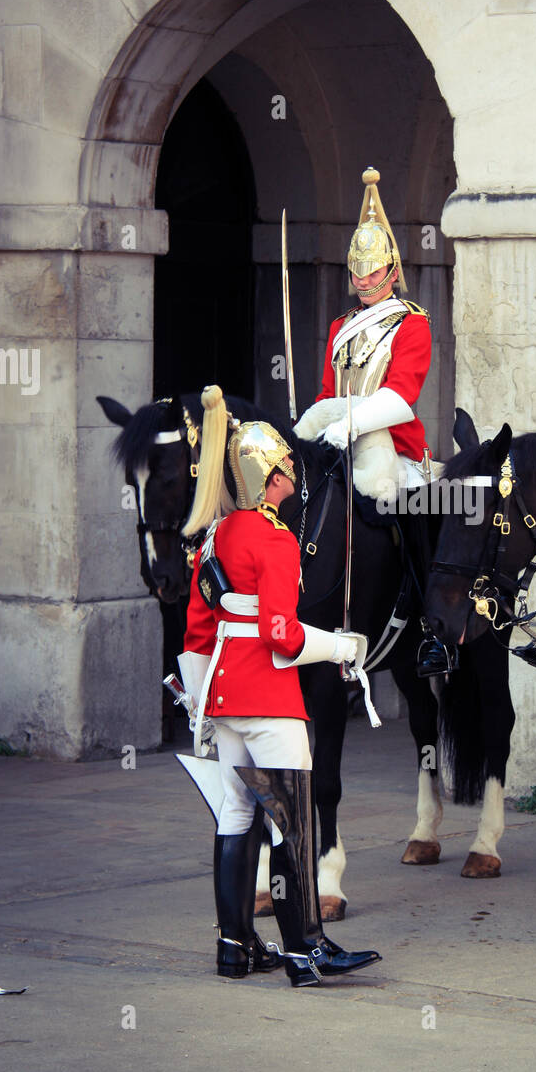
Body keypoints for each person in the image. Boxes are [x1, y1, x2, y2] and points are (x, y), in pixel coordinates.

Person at [178, 385, 381, 986]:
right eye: (287, 469)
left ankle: (235, 946)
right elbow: (282, 637)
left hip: (223, 699)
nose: (294, 477)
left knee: (237, 816)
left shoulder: (213, 538)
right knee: (292, 821)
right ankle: (304, 950)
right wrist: (341, 646)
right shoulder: (276, 541)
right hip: (269, 699)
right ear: (267, 476)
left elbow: (196, 633)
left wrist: (198, 706)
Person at [294, 166, 452, 674]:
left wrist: (353, 424)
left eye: (372, 273)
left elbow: (403, 397)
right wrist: (316, 428)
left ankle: (432, 627)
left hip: (395, 446)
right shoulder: (341, 326)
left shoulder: (413, 323)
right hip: (338, 437)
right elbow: (326, 392)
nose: (362, 282)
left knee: (419, 516)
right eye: (355, 273)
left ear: (391, 270)